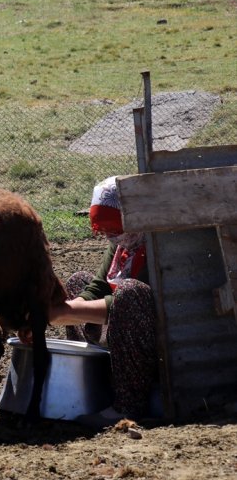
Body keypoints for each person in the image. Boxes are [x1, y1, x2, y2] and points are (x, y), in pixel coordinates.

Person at [48, 176, 159, 429]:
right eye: (104, 230)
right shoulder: (123, 243)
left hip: (148, 332)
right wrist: (74, 304)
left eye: (114, 228)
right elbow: (98, 285)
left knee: (130, 292)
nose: (109, 236)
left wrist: (72, 310)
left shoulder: (157, 244)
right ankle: (89, 388)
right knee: (78, 282)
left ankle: (128, 405)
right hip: (118, 323)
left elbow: (132, 302)